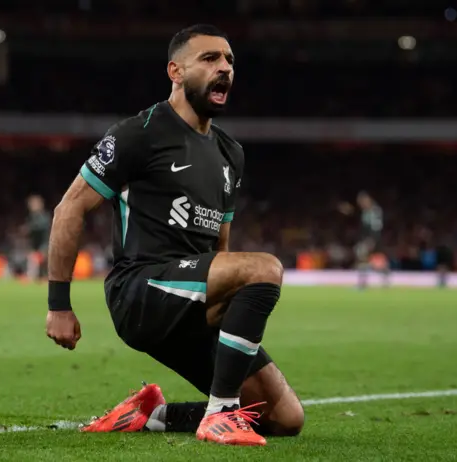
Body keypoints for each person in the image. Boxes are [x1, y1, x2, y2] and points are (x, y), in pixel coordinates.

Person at [45, 24, 304, 447]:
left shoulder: (229, 154)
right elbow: (69, 207)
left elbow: (221, 249)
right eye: (210, 59)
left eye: (230, 61)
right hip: (141, 289)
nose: (224, 68)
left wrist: (235, 315)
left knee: (283, 417)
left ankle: (149, 415)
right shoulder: (139, 133)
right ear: (175, 71)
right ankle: (220, 416)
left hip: (193, 298)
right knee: (264, 268)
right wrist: (59, 304)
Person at [338, 191, 387, 289]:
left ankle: (363, 284)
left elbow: (376, 227)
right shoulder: (366, 212)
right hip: (367, 239)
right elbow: (356, 216)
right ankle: (383, 277)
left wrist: (371, 240)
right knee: (368, 261)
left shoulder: (375, 211)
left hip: (372, 240)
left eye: (362, 201)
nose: (361, 204)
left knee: (363, 259)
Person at [24, 194, 51, 282]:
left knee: (42, 261)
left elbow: (43, 228)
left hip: (44, 243)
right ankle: (31, 276)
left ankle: (45, 278)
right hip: (35, 245)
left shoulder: (44, 216)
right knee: (32, 259)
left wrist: (29, 228)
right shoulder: (31, 217)